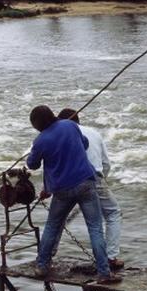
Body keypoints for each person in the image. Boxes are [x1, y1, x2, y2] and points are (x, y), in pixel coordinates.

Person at [26, 105, 121, 284]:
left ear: (38, 124)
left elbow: (32, 165)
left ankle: (42, 265)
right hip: (86, 183)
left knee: (52, 226)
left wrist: (35, 154)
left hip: (61, 190)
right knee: (95, 228)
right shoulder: (69, 126)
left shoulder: (40, 141)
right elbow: (84, 143)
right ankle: (104, 273)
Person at [57, 108, 123, 270]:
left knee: (57, 219)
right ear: (78, 120)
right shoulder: (93, 133)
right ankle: (110, 257)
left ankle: (48, 254)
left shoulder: (61, 135)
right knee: (112, 214)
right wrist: (102, 181)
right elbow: (106, 164)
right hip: (94, 179)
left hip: (67, 180)